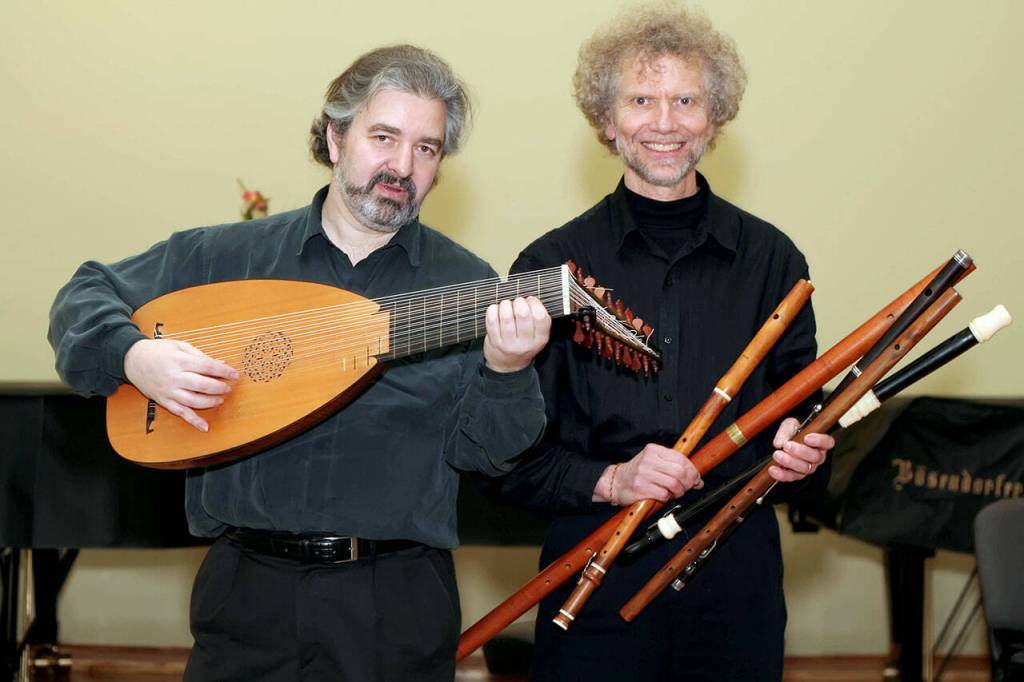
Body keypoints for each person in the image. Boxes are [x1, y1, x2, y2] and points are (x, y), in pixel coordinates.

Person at [48, 45, 551, 682]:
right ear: (335, 138)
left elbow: (491, 454)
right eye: (384, 137)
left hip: (392, 604)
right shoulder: (231, 257)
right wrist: (134, 355)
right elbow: (85, 291)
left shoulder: (466, 287)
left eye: (426, 148)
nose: (402, 166)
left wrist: (508, 369)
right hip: (246, 595)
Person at [492, 6, 835, 681]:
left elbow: (808, 415)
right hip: (595, 569)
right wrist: (613, 479)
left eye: (686, 100)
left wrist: (807, 446)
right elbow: (510, 459)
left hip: (735, 574)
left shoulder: (773, 260)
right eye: (641, 100)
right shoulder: (549, 266)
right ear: (606, 119)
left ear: (715, 117)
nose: (665, 122)